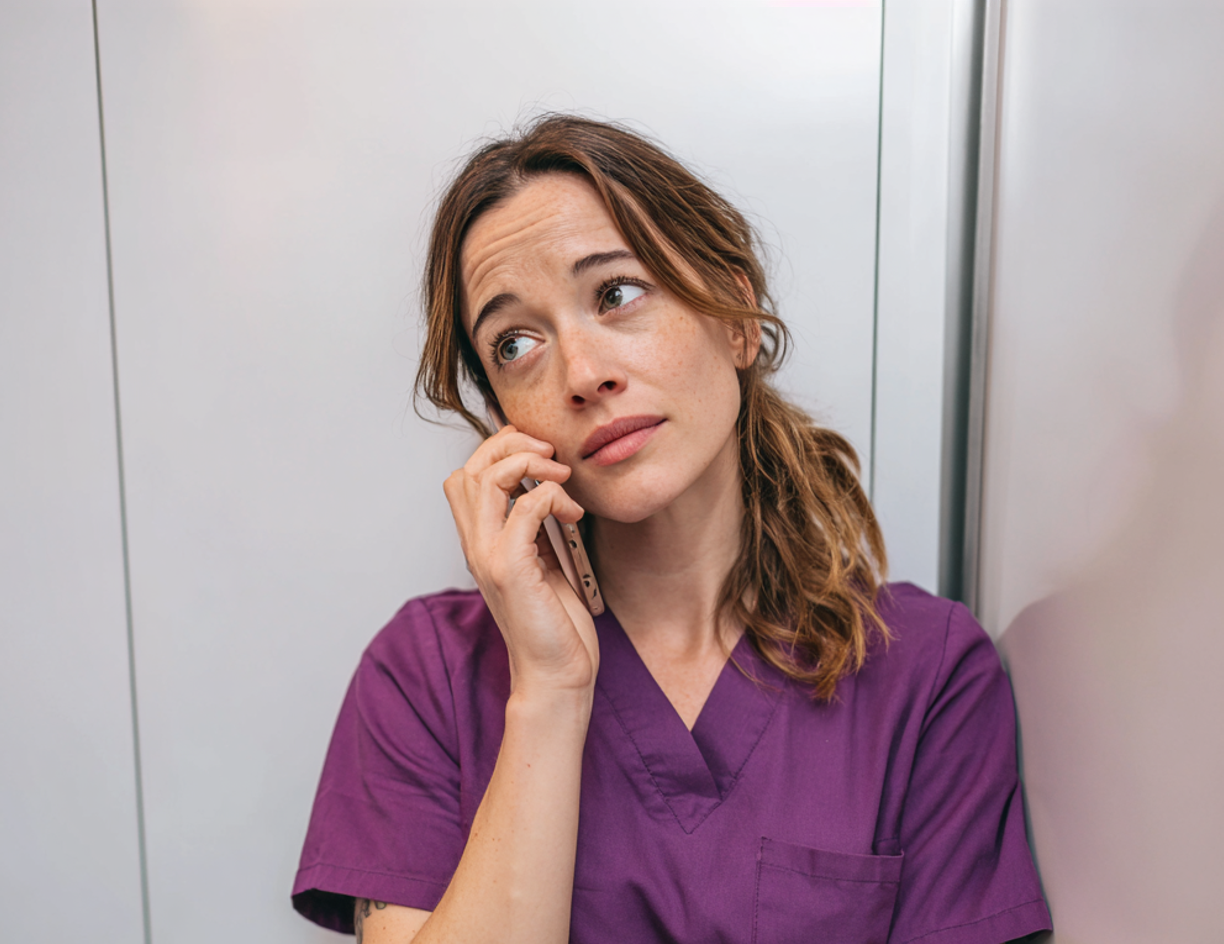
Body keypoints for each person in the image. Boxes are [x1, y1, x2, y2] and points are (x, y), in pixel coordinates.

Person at [291, 115, 1052, 944]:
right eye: (515, 344)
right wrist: (550, 693)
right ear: (503, 417)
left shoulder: (928, 674)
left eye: (616, 294)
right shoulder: (424, 676)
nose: (584, 374)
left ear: (737, 317)